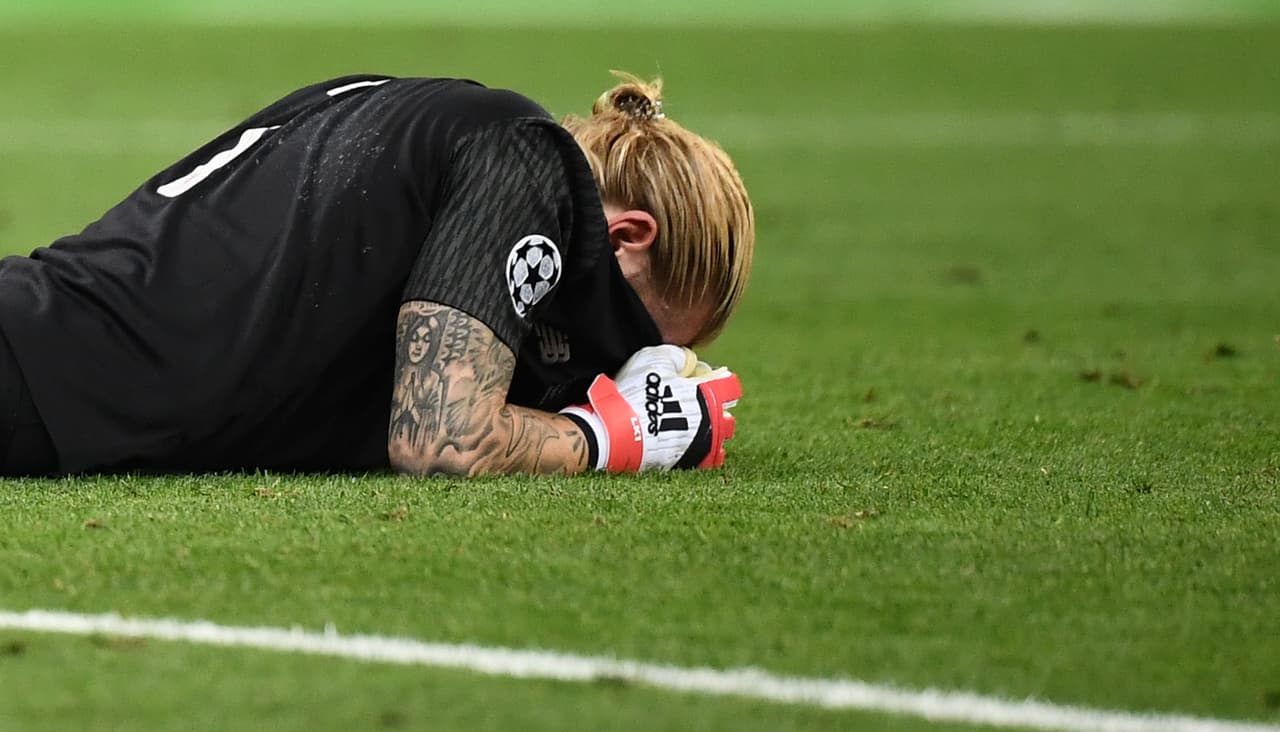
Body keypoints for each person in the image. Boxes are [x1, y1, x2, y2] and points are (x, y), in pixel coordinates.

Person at [0, 72, 754, 477]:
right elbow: (439, 440)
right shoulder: (529, 163)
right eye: (623, 332)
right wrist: (616, 434)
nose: (600, 358)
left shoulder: (422, 117)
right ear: (627, 236)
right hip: (32, 375)